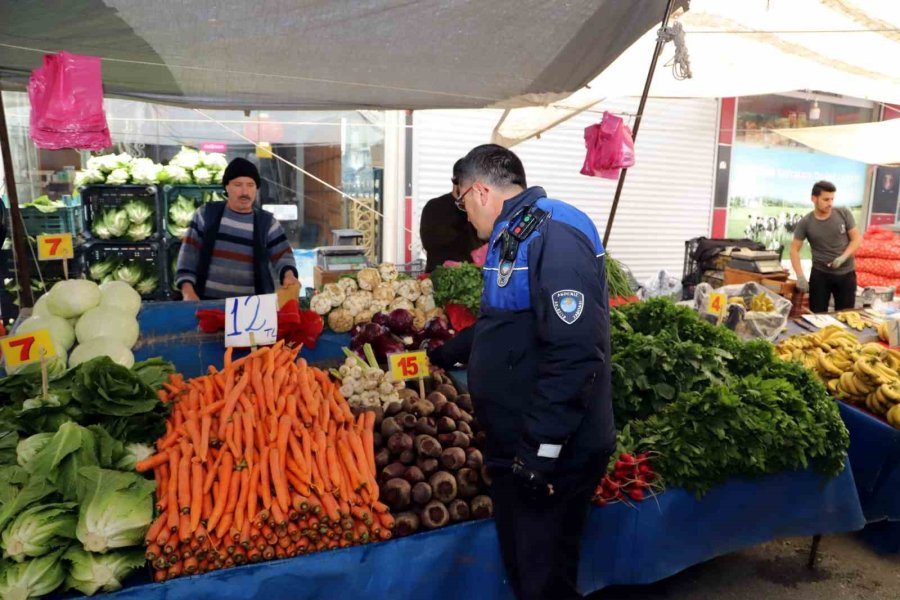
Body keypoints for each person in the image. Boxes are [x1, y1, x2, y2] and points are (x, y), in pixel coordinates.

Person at [451, 144, 615, 600]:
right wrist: (450, 351)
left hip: (553, 448)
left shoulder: (555, 231)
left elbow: (576, 351)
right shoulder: (514, 232)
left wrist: (540, 450)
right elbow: (510, 324)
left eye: (461, 201)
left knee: (544, 579)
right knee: (530, 573)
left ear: (480, 191)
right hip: (520, 441)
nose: (464, 215)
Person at [176, 157, 299, 300]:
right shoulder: (206, 215)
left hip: (253, 307)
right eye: (238, 184)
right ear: (226, 187)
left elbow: (283, 256)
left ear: (256, 189)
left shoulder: (267, 223)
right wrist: (187, 292)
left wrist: (289, 275)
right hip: (205, 304)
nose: (245, 191)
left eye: (250, 185)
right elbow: (188, 256)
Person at [790, 180, 861, 313]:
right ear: (814, 199)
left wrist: (843, 257)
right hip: (820, 275)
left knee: (845, 316)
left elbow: (856, 239)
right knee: (816, 315)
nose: (830, 203)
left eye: (832, 199)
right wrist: (800, 276)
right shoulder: (806, 222)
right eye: (826, 199)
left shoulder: (843, 213)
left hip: (846, 274)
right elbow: (794, 250)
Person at [419, 158, 482, 272]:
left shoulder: (479, 207)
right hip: (438, 279)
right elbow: (429, 243)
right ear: (455, 181)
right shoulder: (434, 207)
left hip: (472, 280)